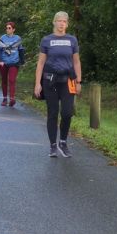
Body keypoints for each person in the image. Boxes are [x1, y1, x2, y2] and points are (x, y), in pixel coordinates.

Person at [34, 11, 81, 158]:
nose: (61, 24)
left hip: (68, 81)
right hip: (50, 81)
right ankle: (53, 145)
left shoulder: (72, 40)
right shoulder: (47, 40)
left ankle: (63, 142)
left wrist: (78, 81)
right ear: (54, 22)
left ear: (67, 24)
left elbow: (76, 62)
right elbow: (41, 63)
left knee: (67, 113)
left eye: (64, 21)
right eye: (59, 21)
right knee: (52, 113)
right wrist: (37, 83)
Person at [0, 21, 25, 107]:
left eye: (9, 28)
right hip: (4, 63)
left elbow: (21, 50)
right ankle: (5, 99)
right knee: (4, 80)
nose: (7, 29)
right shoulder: (2, 38)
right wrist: (0, 60)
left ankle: (12, 99)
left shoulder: (17, 38)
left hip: (14, 62)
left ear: (13, 29)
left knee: (12, 80)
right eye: (6, 28)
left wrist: (22, 61)